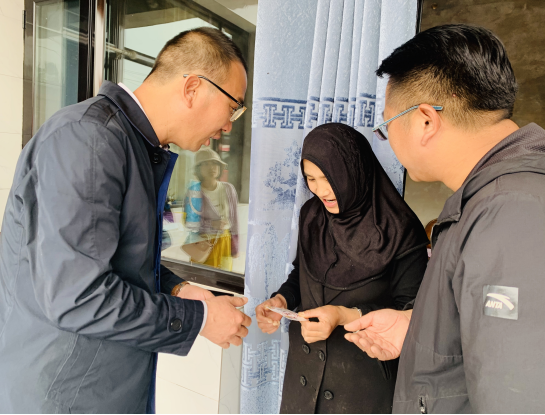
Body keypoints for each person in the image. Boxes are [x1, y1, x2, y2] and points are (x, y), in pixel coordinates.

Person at [0, 27, 252, 414]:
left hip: (100, 387)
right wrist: (199, 319)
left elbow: (115, 258)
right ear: (192, 89)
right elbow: (77, 296)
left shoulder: (133, 146)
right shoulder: (89, 140)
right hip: (66, 395)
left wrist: (178, 288)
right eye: (233, 106)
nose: (229, 125)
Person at [345, 24, 545, 414]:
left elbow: (523, 395)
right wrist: (421, 330)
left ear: (425, 120)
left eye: (387, 126)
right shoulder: (494, 202)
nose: (389, 140)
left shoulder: (514, 213)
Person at [256, 123, 429, 414]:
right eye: (311, 179)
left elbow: (413, 312)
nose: (321, 190)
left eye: (329, 177)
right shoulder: (312, 215)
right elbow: (301, 273)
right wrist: (281, 300)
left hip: (361, 385)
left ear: (354, 170)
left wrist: (344, 315)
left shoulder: (400, 229)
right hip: (303, 380)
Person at [183, 147, 239, 271]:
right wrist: (212, 224)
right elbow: (189, 223)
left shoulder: (228, 189)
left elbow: (234, 220)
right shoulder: (194, 191)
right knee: (201, 278)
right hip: (202, 243)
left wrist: (235, 247)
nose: (211, 167)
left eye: (215, 163)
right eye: (205, 164)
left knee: (223, 278)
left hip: (224, 242)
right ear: (198, 169)